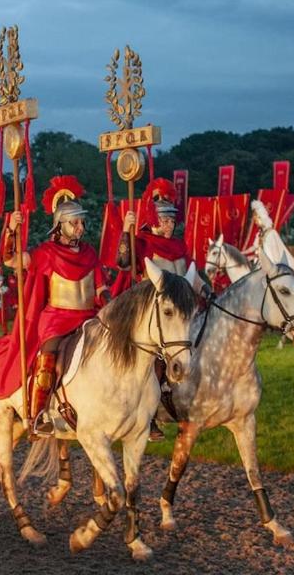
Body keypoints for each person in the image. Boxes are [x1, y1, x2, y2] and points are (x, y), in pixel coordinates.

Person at [0, 175, 109, 438]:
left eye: (82, 222)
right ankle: (38, 413)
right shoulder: (45, 253)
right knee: (48, 358)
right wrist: (12, 230)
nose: (81, 228)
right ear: (60, 226)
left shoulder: (90, 253)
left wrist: (109, 304)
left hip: (89, 317)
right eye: (75, 223)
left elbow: (101, 287)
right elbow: (11, 259)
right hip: (57, 319)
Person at [116, 178, 191, 441]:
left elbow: (190, 276)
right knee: (153, 359)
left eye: (172, 220)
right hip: (150, 314)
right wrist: (126, 231)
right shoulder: (143, 242)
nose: (169, 225)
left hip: (179, 313)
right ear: (154, 219)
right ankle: (148, 412)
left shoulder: (180, 246)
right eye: (164, 220)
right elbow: (124, 262)